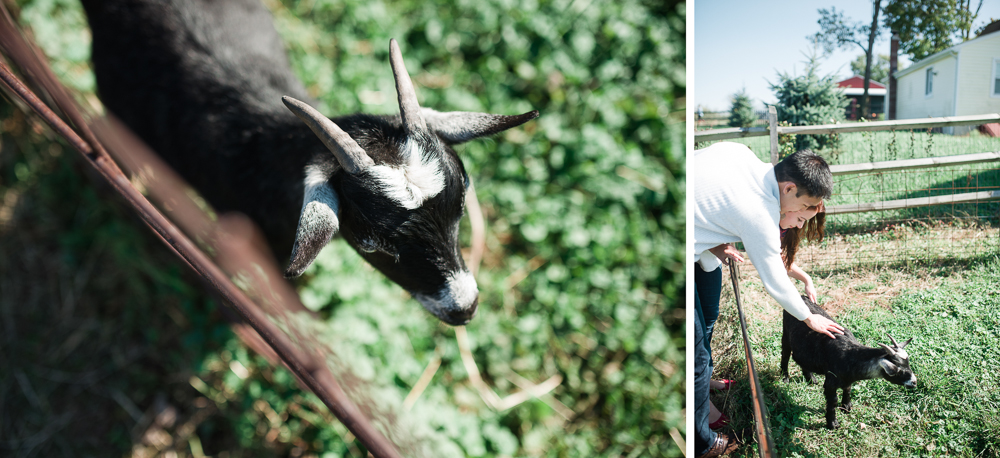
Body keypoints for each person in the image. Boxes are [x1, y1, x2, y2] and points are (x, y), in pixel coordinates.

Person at [692, 142, 844, 458]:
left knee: (707, 320)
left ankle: (703, 383)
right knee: (692, 352)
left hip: (703, 249)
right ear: (789, 188)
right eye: (803, 208)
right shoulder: (759, 210)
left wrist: (714, 241)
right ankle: (702, 442)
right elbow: (774, 279)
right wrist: (808, 316)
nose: (799, 218)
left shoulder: (740, 153)